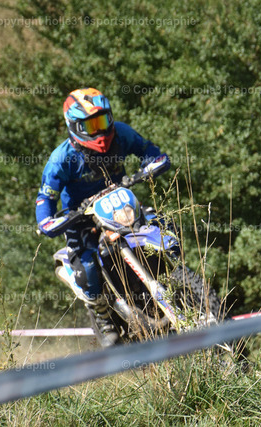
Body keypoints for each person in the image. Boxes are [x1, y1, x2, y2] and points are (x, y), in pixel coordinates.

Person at [35, 87, 169, 347]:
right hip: (80, 218)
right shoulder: (61, 158)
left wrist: (153, 163)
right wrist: (46, 221)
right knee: (87, 268)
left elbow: (149, 150)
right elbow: (45, 197)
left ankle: (176, 278)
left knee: (161, 225)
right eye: (91, 125)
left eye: (103, 121)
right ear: (74, 127)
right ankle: (102, 314)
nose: (100, 131)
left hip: (120, 203)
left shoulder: (121, 134)